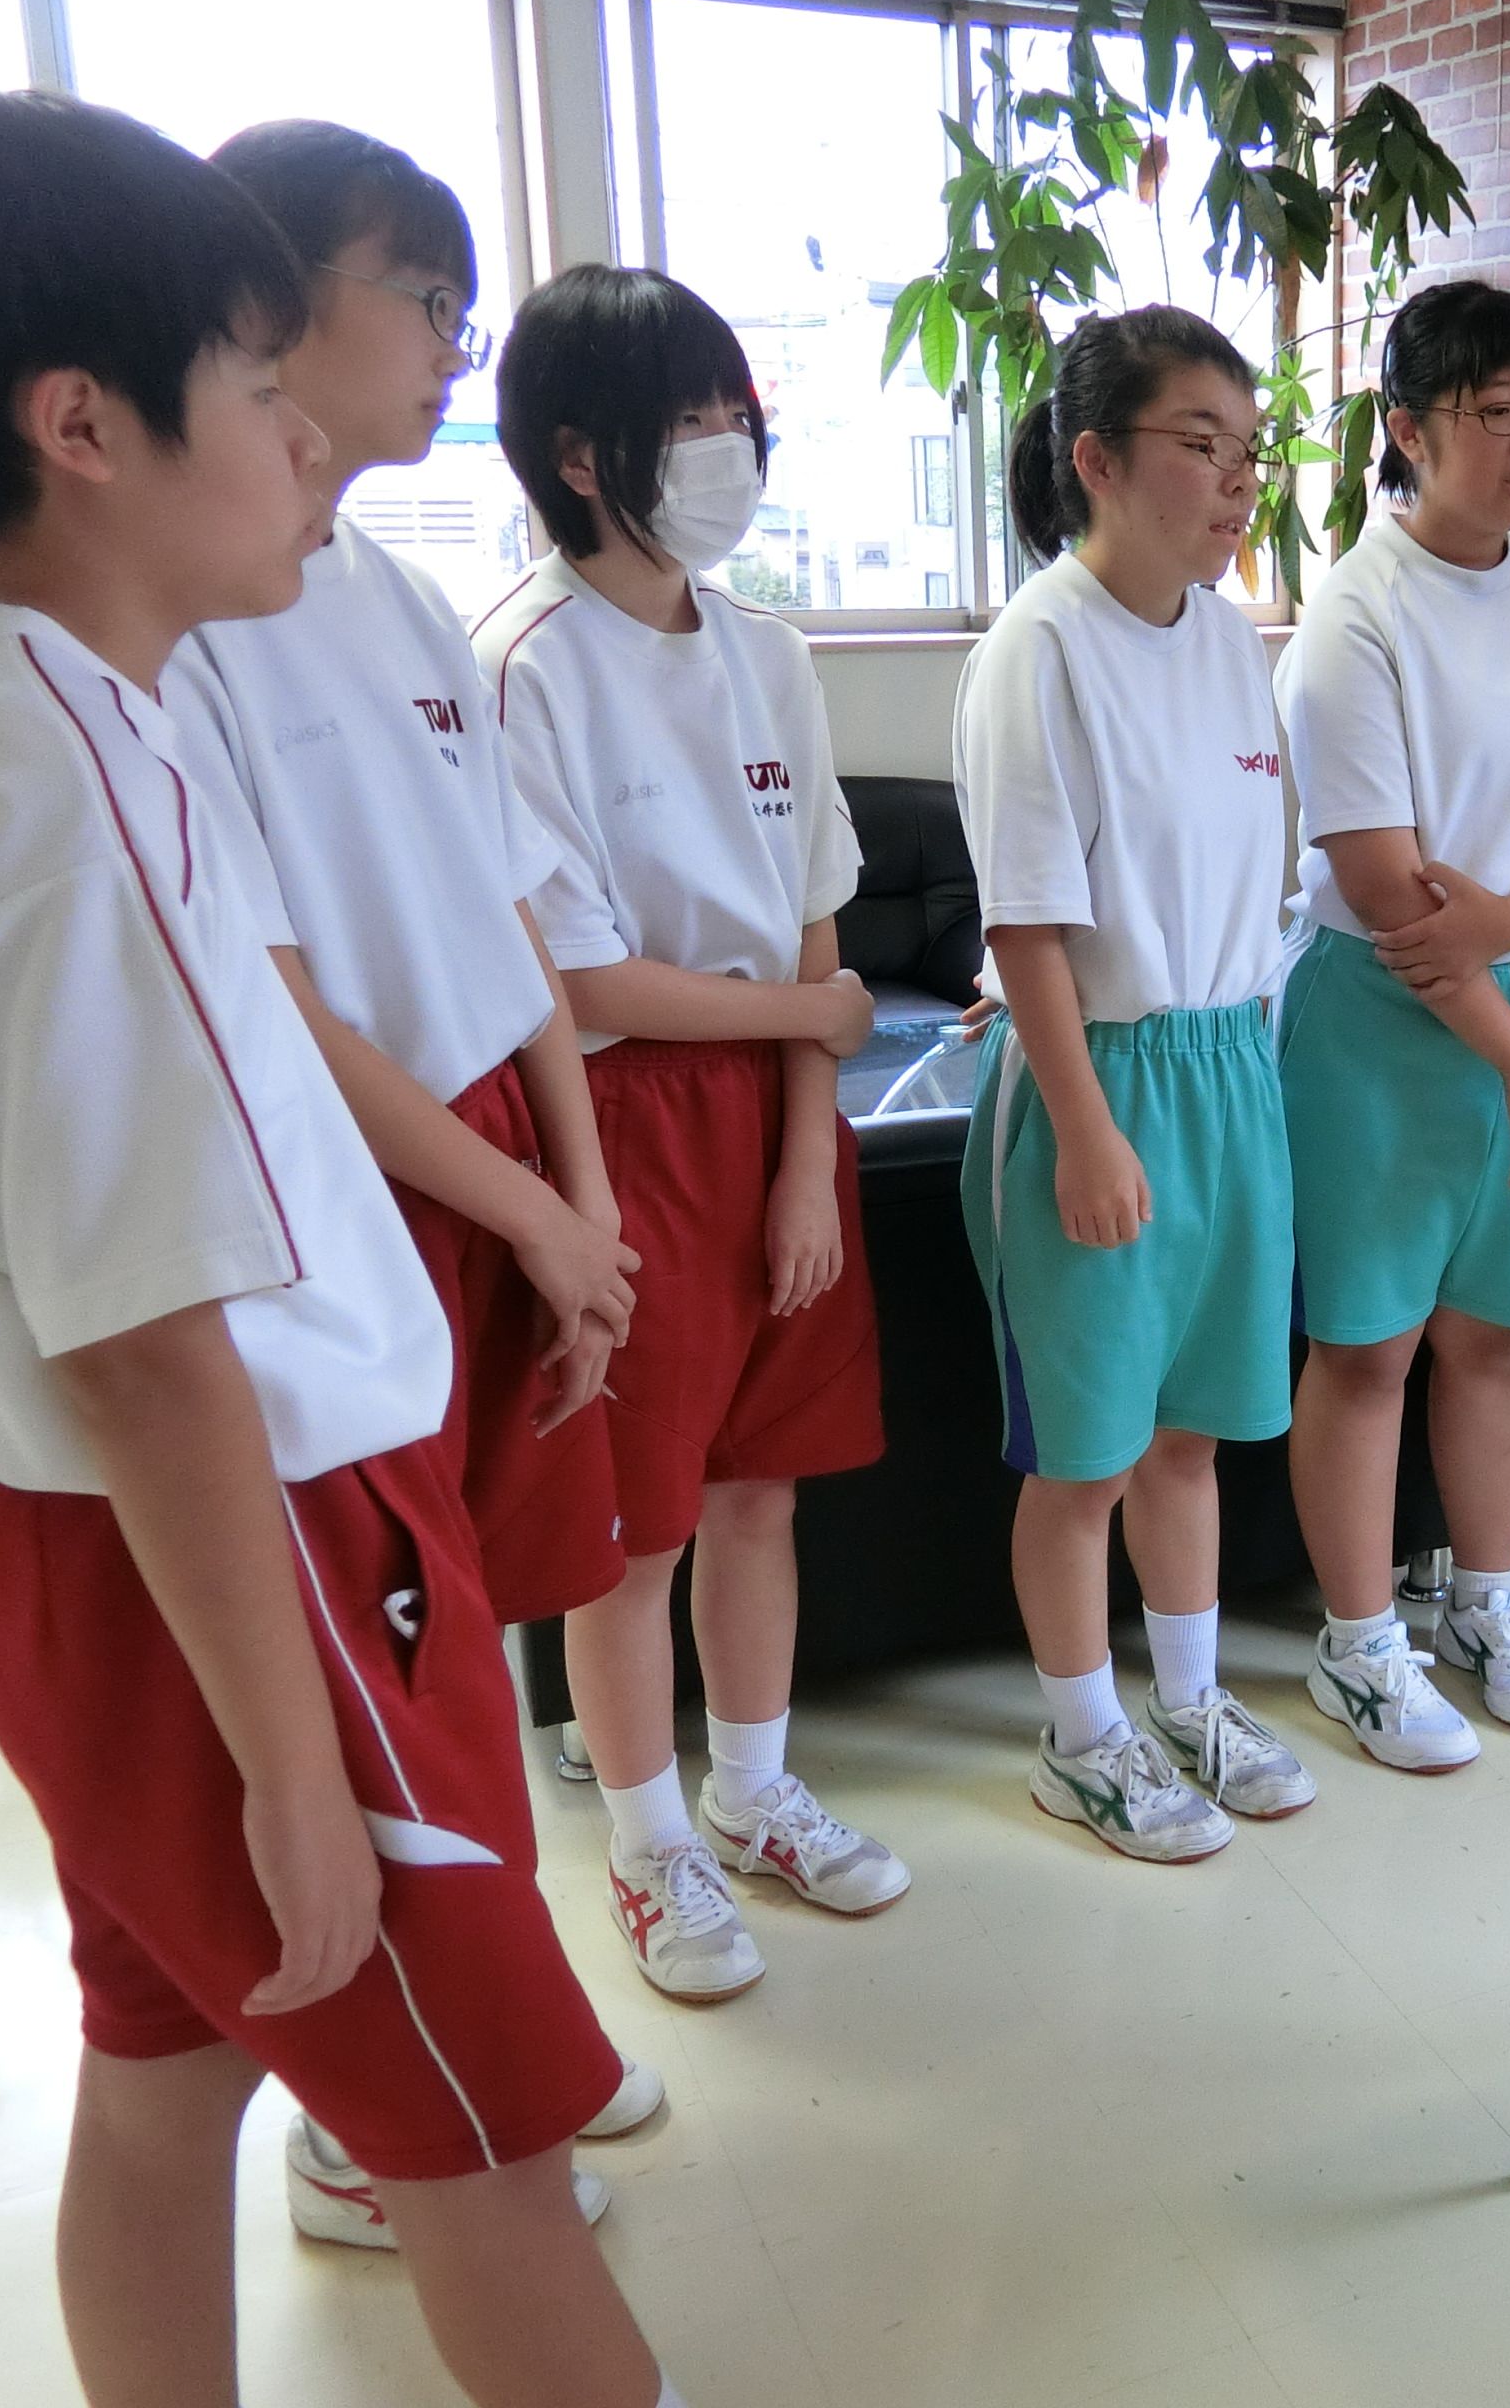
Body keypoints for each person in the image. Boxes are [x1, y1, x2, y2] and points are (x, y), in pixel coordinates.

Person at [0, 88, 677, 2405]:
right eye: (259, 392)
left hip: (105, 1554)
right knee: (484, 2146)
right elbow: (154, 1344)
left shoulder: (9, 721)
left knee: (165, 2078)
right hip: (240, 1557)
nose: (309, 444)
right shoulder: (63, 789)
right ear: (81, 423)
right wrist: (298, 1763)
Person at [167, 119, 665, 2236]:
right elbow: (270, 1000)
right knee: (380, 1674)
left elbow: (508, 920)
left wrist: (577, 1184)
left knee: (468, 1652)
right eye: (424, 295)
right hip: (357, 1194)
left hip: (489, 1168)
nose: (457, 339)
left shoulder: (387, 589)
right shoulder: (190, 610)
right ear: (272, 299)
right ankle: (370, 2118)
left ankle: (496, 2016)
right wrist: (523, 1204)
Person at [481, 263, 902, 2003]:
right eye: (692, 417)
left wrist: (811, 1148)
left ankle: (751, 1785)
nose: (731, 445)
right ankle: (646, 1835)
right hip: (626, 1117)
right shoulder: (523, 665)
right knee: (629, 1521)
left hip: (772, 1116)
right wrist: (811, 1025)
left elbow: (814, 919)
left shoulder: (771, 654)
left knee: (755, 1487)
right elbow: (584, 976)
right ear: (582, 456)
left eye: (741, 413)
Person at [953, 305, 1312, 1861]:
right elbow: (1028, 924)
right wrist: (1088, 1132)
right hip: (1099, 1077)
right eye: (1199, 446)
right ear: (1095, 459)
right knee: (1088, 1450)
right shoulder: (1040, 648)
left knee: (1195, 1433)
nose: (1237, 482)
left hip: (1234, 1070)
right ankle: (1080, 1733)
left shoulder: (1232, 637)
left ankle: (1187, 1697)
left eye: (1248, 451)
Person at [1274, 278, 1510, 1758]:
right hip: (1386, 1022)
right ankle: (1359, 1643)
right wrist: (1503, 1023)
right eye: (1496, 415)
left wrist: (1503, 929)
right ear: (1408, 431)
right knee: (1367, 1348)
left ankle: (1485, 1599)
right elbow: (1385, 890)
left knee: (1494, 1343)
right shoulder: (1353, 621)